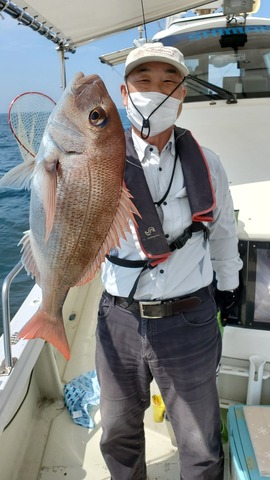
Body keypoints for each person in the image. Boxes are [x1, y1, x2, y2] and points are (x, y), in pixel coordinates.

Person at [95, 42, 243, 480]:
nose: (155, 92)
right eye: (144, 81)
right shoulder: (96, 162)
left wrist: (229, 288)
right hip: (117, 318)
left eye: (168, 83)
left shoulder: (207, 163)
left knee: (200, 442)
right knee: (117, 432)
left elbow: (222, 232)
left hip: (190, 318)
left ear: (182, 96)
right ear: (124, 94)